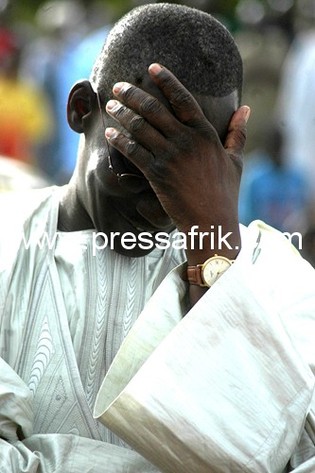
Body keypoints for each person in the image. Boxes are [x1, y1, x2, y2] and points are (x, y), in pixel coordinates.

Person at [0, 3, 314, 472]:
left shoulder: (274, 273)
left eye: (191, 174)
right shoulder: (8, 240)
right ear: (82, 109)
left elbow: (290, 451)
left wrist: (213, 246)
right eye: (142, 159)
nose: (163, 204)